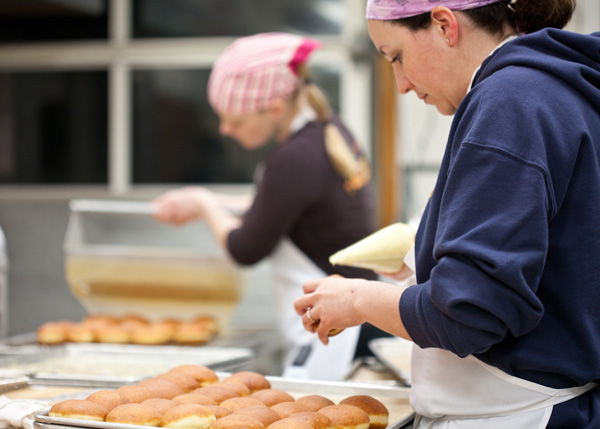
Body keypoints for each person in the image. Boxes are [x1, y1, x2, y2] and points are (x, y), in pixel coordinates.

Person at [294, 0, 600, 426]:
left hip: (515, 416)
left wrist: (356, 299)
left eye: (396, 57)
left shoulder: (509, 102)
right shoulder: (560, 89)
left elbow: (470, 313)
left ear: (444, 24)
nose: (400, 84)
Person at [153, 32, 389, 380]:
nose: (225, 129)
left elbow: (245, 248)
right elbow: (278, 206)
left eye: (235, 120)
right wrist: (205, 200)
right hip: (360, 323)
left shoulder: (293, 158)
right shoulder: (327, 130)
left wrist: (204, 204)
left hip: (340, 338)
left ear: (275, 108)